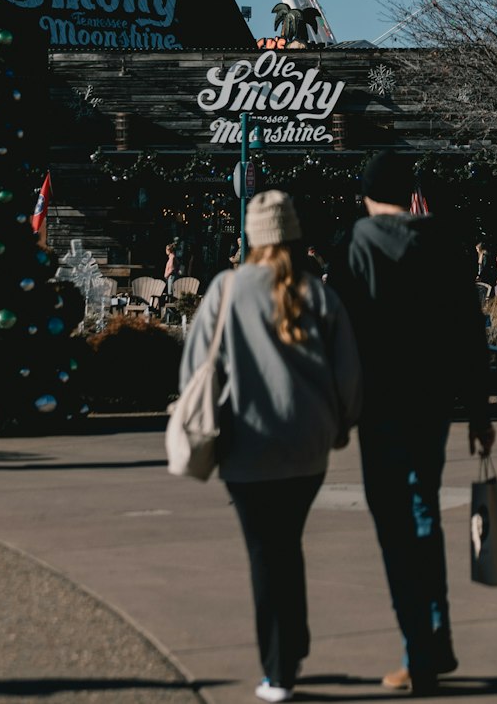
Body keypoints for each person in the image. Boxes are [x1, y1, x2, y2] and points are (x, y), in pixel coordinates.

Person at [179, 191, 362, 703]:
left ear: (251, 237)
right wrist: (343, 424)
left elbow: (196, 367)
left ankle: (278, 671)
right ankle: (293, 641)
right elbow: (348, 374)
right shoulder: (317, 293)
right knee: (287, 543)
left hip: (246, 444)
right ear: (295, 236)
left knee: (266, 553)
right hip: (309, 447)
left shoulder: (226, 290)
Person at [328, 152, 495, 696]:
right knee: (424, 513)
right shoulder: (444, 244)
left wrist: (338, 408)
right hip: (430, 404)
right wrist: (479, 410)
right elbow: (469, 331)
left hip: (379, 407)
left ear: (367, 194)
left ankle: (418, 654)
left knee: (394, 528)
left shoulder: (355, 245)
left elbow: (339, 331)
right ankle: (437, 635)